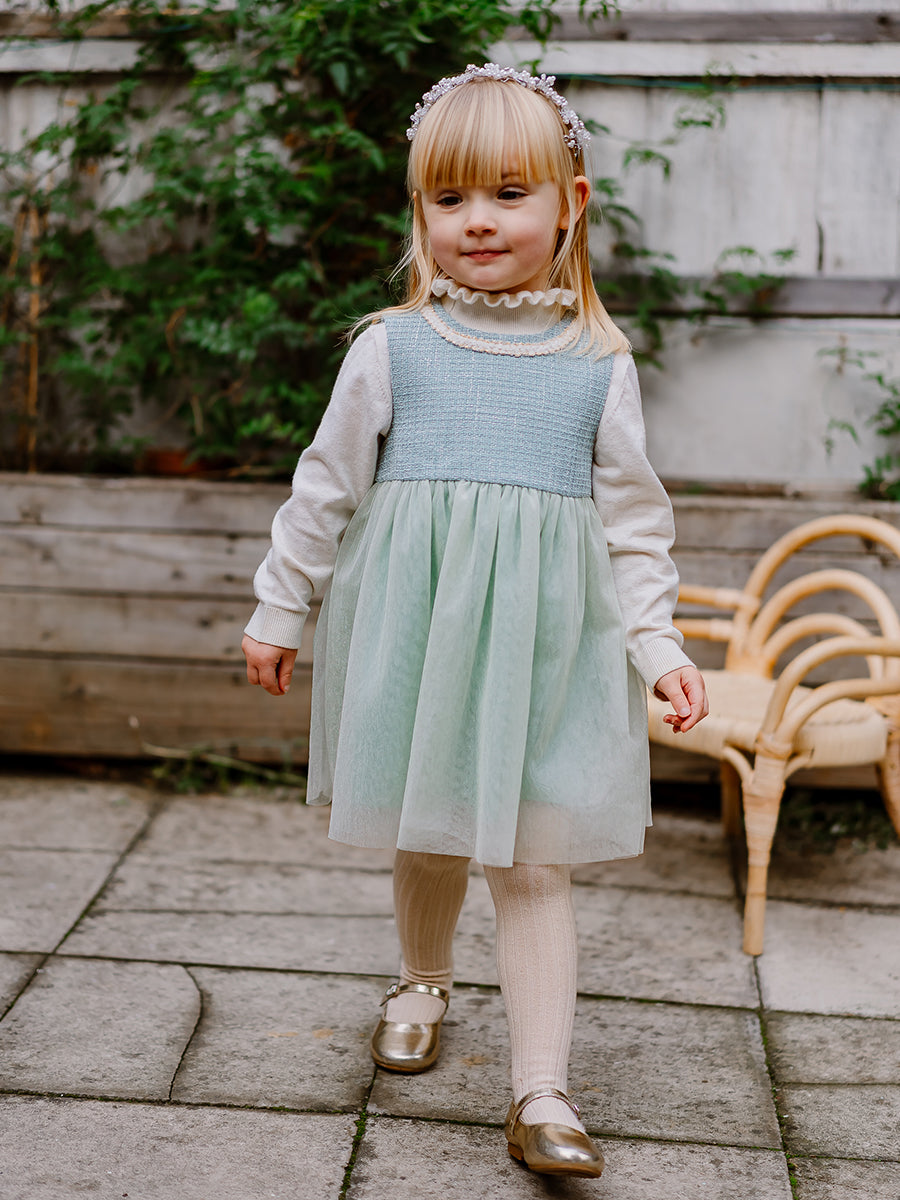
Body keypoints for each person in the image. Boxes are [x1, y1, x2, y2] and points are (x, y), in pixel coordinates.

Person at [242, 62, 708, 1179]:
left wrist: (658, 645)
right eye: (449, 199)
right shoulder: (393, 348)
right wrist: (281, 604)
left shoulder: (596, 366)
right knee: (431, 822)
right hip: (420, 635)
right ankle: (422, 979)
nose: (478, 221)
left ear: (570, 203)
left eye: (507, 193)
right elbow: (325, 486)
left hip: (547, 656)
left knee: (534, 859)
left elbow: (635, 525)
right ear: (420, 211)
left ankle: (541, 1093)